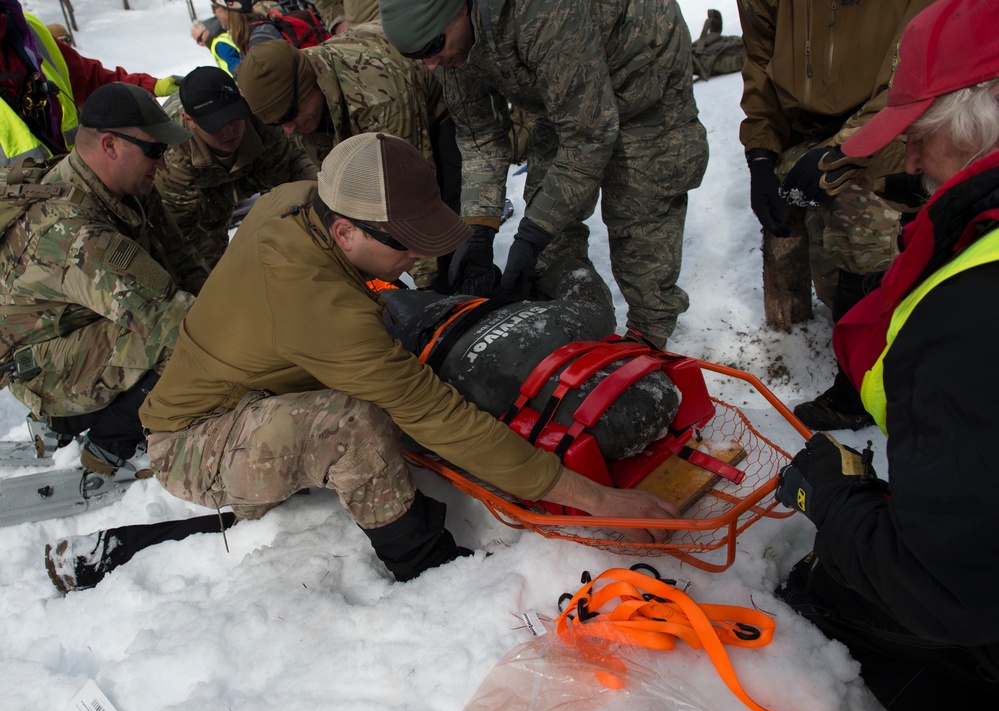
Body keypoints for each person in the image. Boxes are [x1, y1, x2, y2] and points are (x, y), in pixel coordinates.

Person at [138, 132, 679, 584]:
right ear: (345, 231)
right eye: (407, 244)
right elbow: (438, 416)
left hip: (253, 384)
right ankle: (425, 565)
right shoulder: (322, 311)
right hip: (194, 442)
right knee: (353, 425)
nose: (419, 256)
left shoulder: (299, 198)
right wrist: (598, 500)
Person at [774, 1, 999, 710]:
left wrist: (834, 494)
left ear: (977, 123)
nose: (906, 160)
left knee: (830, 590)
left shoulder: (972, 310)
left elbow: (945, 591)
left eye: (918, 137)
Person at [378, 0, 708, 347]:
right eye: (417, 57)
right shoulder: (448, 50)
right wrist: (477, 229)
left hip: (640, 71)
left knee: (639, 207)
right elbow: (482, 140)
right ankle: (572, 328)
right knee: (550, 228)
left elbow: (588, 137)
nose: (430, 65)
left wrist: (533, 233)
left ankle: (648, 336)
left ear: (460, 8)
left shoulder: (542, 11)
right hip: (562, 93)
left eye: (432, 48)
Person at [739, 0, 934, 430]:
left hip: (896, 122)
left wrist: (845, 149)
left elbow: (914, 73)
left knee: (861, 227)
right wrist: (760, 157)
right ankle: (845, 320)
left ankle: (860, 388)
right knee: (818, 249)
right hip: (808, 130)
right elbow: (759, 66)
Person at [0, 82, 208, 476]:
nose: (162, 163)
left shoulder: (125, 185)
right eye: (155, 150)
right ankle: (109, 442)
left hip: (83, 328)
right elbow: (175, 322)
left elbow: (182, 264)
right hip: (43, 370)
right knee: (179, 346)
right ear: (110, 145)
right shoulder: (72, 235)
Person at [236, 30, 460, 288]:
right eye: (277, 123)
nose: (288, 130)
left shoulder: (378, 95)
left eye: (290, 115)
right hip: (362, 113)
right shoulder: (297, 106)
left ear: (309, 83)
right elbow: (341, 186)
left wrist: (428, 286)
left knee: (442, 218)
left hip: (433, 117)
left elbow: (410, 194)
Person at [156, 66, 318, 273]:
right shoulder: (172, 155)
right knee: (210, 270)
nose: (229, 131)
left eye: (234, 118)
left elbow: (279, 190)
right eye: (216, 125)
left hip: (259, 165)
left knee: (312, 196)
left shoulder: (260, 118)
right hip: (203, 194)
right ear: (190, 121)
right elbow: (184, 229)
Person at [1, 0, 181, 165]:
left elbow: (91, 78)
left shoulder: (26, 28)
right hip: (17, 195)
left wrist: (153, 85)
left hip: (69, 179)